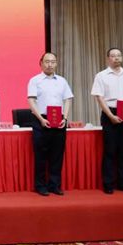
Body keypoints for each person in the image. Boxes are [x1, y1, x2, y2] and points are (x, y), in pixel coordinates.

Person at [91, 48, 123, 194]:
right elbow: (99, 98)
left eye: (119, 55)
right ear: (108, 58)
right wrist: (110, 115)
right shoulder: (101, 76)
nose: (116, 58)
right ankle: (108, 183)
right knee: (110, 150)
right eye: (113, 56)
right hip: (110, 113)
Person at [27, 52, 73, 196]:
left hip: (59, 121)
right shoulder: (35, 80)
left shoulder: (62, 81)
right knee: (40, 155)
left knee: (57, 155)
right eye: (47, 62)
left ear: (56, 63)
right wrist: (41, 119)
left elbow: (68, 99)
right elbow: (31, 101)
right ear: (41, 63)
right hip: (41, 120)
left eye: (53, 62)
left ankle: (55, 185)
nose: (50, 65)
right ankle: (40, 186)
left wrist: (65, 118)